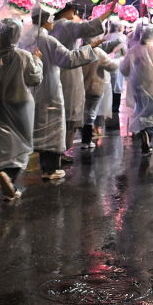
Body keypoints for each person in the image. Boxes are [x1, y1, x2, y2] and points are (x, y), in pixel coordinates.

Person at [24, 9, 100, 179]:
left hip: (30, 91)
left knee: (35, 127)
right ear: (45, 21)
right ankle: (50, 168)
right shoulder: (48, 41)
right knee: (52, 130)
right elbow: (69, 59)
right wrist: (90, 49)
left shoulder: (24, 40)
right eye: (50, 18)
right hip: (49, 90)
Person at [0, 18, 43, 199]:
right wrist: (37, 60)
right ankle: (9, 178)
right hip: (19, 106)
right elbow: (35, 79)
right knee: (20, 146)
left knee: (0, 145)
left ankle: (1, 169)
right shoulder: (23, 56)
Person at [52, 3, 112, 153]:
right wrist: (108, 13)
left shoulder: (51, 27)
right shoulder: (67, 25)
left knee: (59, 114)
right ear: (68, 11)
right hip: (69, 74)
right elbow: (89, 27)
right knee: (69, 114)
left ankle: (58, 151)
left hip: (54, 73)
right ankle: (61, 150)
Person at [121, 21, 153, 155]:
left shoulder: (133, 50)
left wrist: (132, 75)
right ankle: (148, 134)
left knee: (141, 113)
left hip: (137, 88)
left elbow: (123, 68)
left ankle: (144, 133)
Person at [79, 41, 119, 150]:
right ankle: (86, 140)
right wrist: (119, 60)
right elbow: (111, 66)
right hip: (95, 86)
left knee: (84, 113)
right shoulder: (97, 52)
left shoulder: (80, 51)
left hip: (82, 86)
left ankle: (85, 139)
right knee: (90, 114)